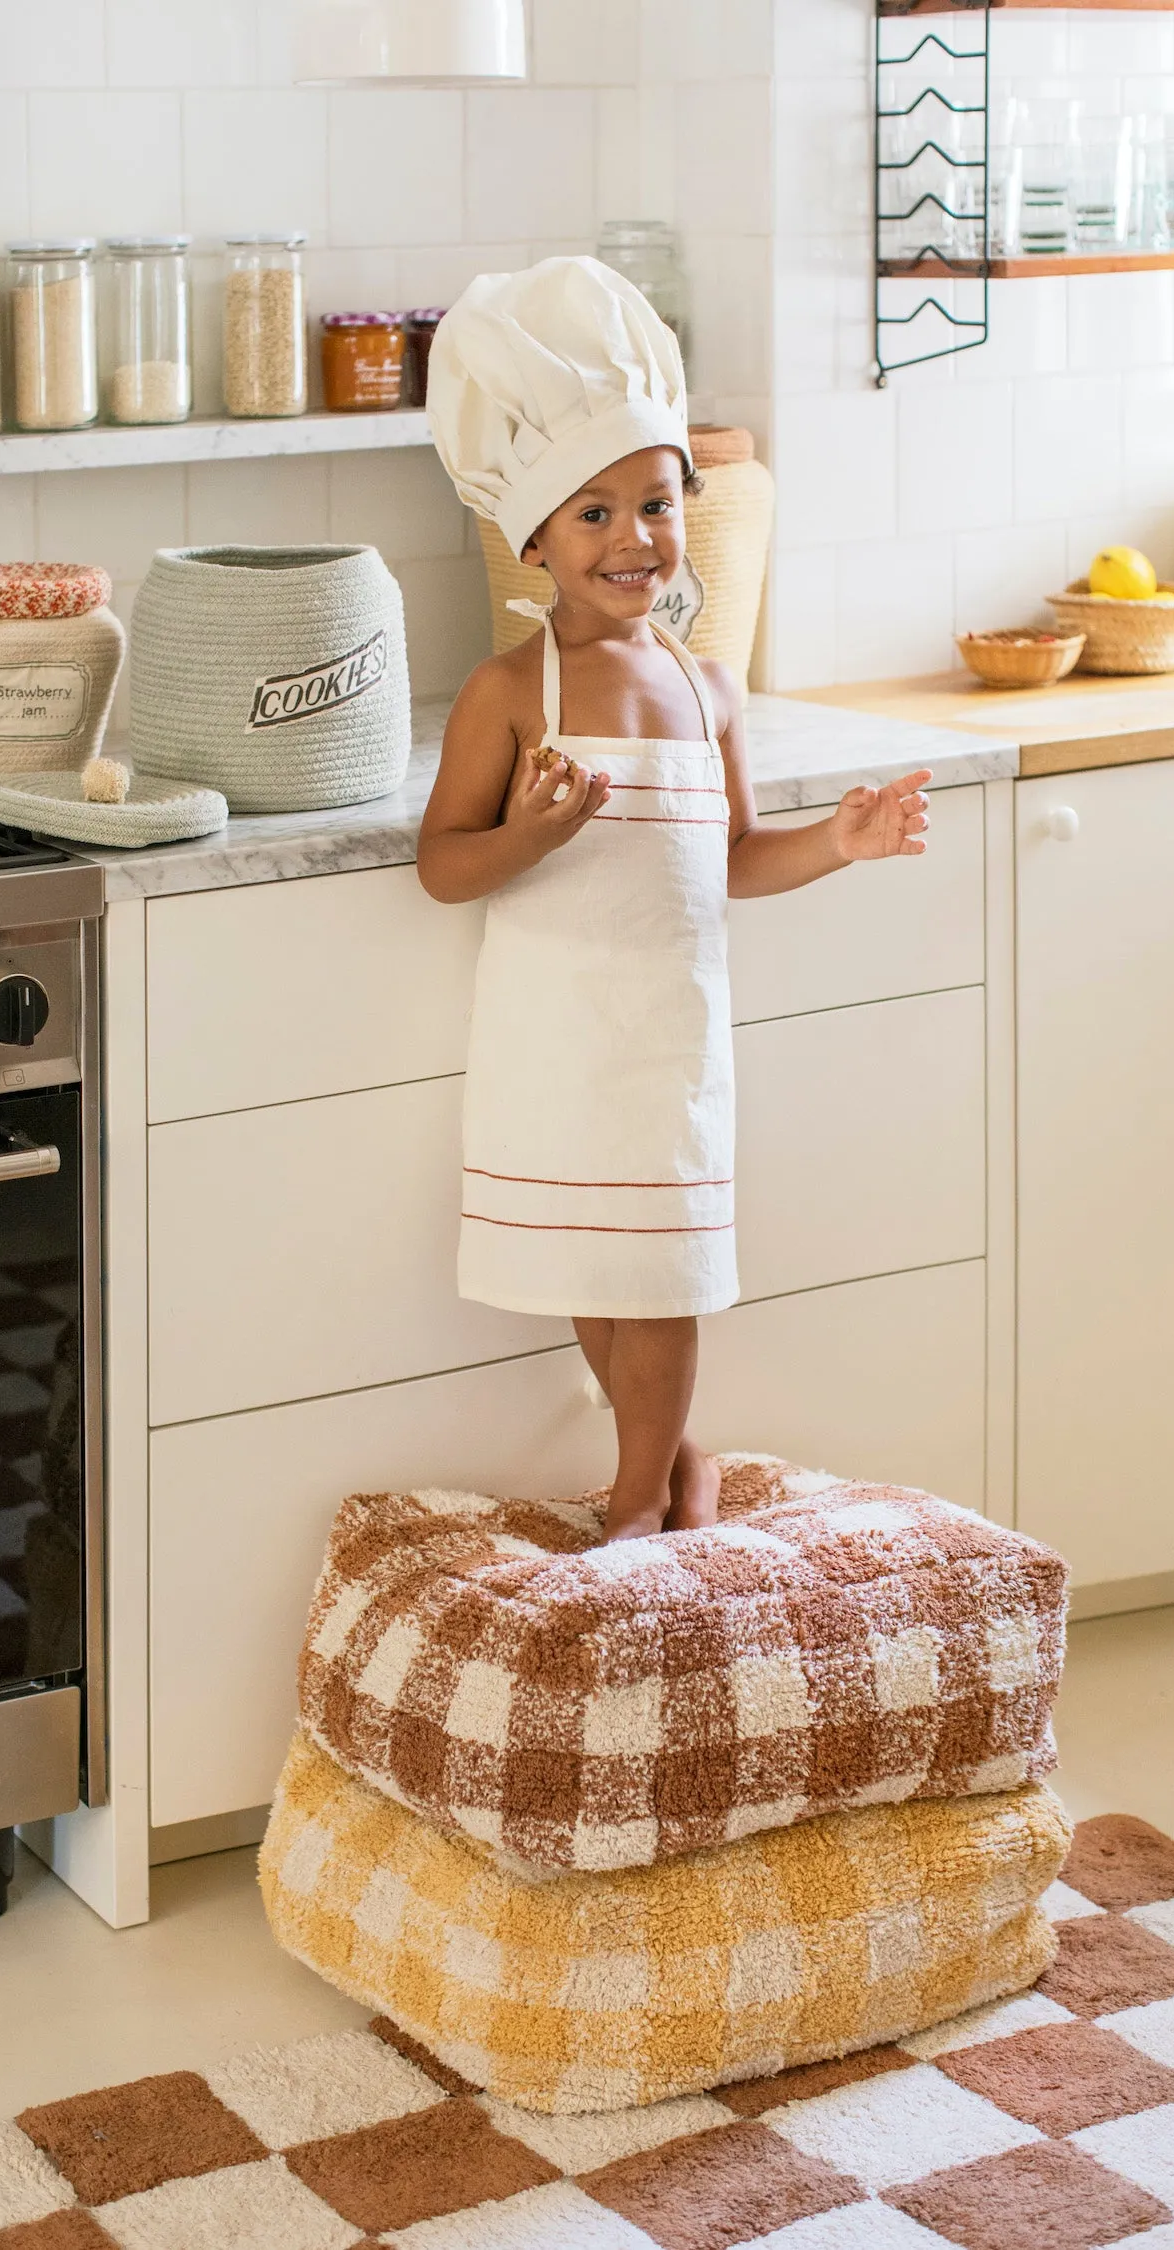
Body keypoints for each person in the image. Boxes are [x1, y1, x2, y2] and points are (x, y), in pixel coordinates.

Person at [419, 257, 929, 1543]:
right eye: (592, 516)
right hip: (552, 1034)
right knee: (592, 1271)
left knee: (657, 1276)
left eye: (654, 504)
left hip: (666, 1037)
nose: (633, 540)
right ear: (531, 537)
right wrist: (527, 831)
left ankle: (641, 1492)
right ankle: (680, 1453)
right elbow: (444, 865)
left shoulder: (711, 693)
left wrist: (840, 841)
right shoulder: (506, 693)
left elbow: (736, 859)